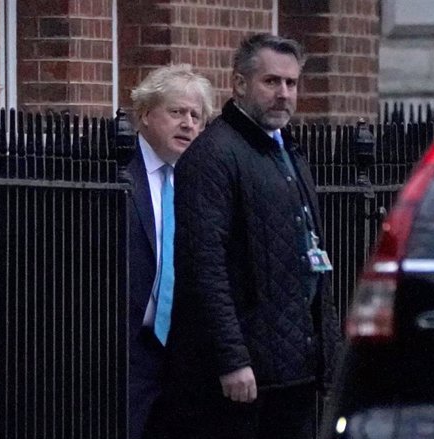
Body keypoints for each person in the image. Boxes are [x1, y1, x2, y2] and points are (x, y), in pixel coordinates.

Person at [146, 33, 341, 439]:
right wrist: (232, 359)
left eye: (291, 83)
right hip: (240, 380)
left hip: (293, 369)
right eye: (271, 82)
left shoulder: (286, 150)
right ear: (238, 83)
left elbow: (310, 257)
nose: (284, 93)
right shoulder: (214, 155)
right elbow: (205, 266)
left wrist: (327, 352)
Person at [126, 63, 213, 439]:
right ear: (145, 114)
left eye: (197, 116)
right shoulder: (118, 172)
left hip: (182, 351)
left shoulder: (201, 180)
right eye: (177, 112)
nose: (188, 124)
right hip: (125, 348)